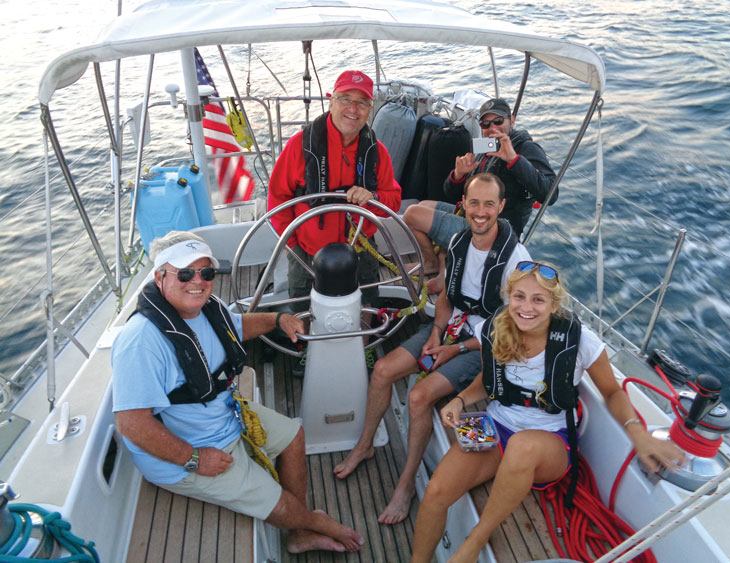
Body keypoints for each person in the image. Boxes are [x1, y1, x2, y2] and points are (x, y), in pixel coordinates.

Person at [411, 261, 686, 562]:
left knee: (522, 446)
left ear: (554, 305)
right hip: (497, 424)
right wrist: (461, 400)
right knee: (436, 492)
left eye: (538, 299)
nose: (526, 307)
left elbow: (612, 391)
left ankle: (476, 539)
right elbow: (488, 380)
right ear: (509, 297)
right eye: (519, 297)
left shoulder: (579, 341)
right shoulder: (496, 327)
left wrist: (639, 435)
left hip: (548, 442)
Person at [111, 231, 364, 554]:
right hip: (191, 449)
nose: (198, 281)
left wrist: (278, 319)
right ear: (160, 277)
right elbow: (132, 425)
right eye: (185, 273)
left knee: (293, 436)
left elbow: (236, 327)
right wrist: (194, 459)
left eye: (206, 273)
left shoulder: (203, 306)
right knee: (280, 505)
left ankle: (298, 532)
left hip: (227, 415)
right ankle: (314, 523)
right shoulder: (140, 341)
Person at [333, 173, 532, 525]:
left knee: (418, 397)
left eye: (489, 204)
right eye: (474, 203)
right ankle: (364, 446)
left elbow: (510, 327)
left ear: (501, 207)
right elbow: (448, 298)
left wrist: (454, 349)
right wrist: (437, 333)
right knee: (382, 371)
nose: (480, 212)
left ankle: (406, 485)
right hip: (451, 332)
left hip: (482, 346)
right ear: (464, 206)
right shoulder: (458, 242)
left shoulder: (516, 260)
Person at [267, 69, 402, 315]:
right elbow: (278, 200)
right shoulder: (300, 145)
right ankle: (305, 349)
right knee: (302, 306)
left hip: (360, 245)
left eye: (362, 102)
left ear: (370, 109)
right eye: (345, 99)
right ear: (331, 101)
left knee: (367, 302)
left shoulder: (376, 151)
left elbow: (393, 201)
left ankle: (365, 347)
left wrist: (374, 197)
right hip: (307, 248)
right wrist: (293, 244)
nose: (353, 108)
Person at [403, 97, 556, 294]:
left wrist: (514, 160)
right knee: (424, 204)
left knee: (412, 214)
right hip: (473, 216)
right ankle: (438, 265)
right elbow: (454, 196)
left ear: (512, 120)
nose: (492, 128)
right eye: (486, 124)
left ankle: (440, 268)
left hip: (495, 231)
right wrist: (459, 176)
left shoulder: (526, 149)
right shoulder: (486, 149)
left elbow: (550, 193)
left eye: (498, 121)